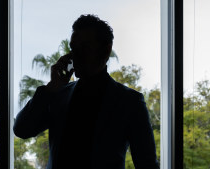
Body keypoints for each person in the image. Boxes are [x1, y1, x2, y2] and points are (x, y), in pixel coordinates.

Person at [13, 14, 159, 169]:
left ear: (106, 50)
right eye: (73, 48)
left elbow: (147, 164)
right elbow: (22, 129)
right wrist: (49, 89)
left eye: (84, 47)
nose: (75, 55)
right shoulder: (58, 95)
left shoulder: (130, 102)